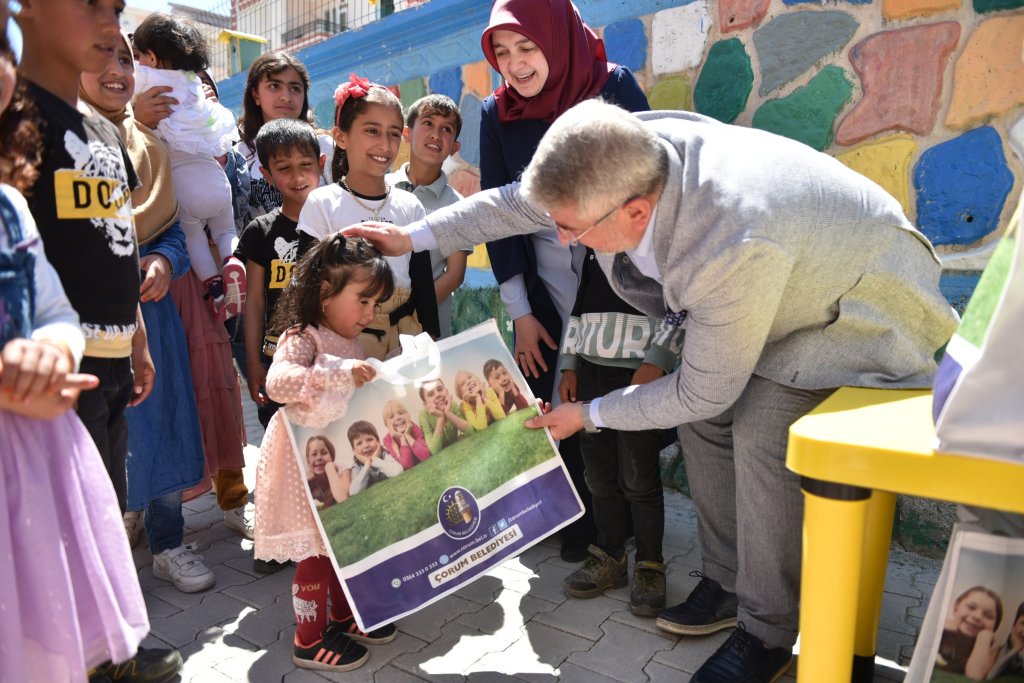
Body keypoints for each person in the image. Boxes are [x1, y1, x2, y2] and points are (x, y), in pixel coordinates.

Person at [345, 99, 959, 682]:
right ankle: (725, 582)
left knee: (759, 430)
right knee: (707, 430)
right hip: (786, 278)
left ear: (635, 214)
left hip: (856, 307)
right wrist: (414, 237)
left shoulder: (728, 242)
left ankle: (768, 631)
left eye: (572, 229)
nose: (561, 241)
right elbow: (514, 205)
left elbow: (702, 391)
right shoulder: (616, 153)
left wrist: (586, 415)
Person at [16, 0, 183, 676]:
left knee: (107, 509)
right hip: (55, 371)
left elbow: (118, 243)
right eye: (94, 8)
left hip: (115, 359)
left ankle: (110, 644)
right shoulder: (17, 119)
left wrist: (138, 336)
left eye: (117, 13)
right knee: (65, 528)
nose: (111, 27)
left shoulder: (107, 136)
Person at [479, 0, 649, 561]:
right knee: (556, 390)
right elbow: (497, 215)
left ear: (556, 38)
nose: (516, 64)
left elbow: (653, 182)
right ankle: (577, 517)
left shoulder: (612, 87)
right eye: (502, 52)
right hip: (546, 285)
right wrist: (520, 313)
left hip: (618, 280)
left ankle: (633, 527)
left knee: (616, 393)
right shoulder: (495, 113)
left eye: (527, 47)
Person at [79, 31, 213, 594]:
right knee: (97, 444)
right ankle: (102, 564)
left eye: (126, 58)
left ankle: (167, 542)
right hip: (83, 326)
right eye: (99, 54)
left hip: (149, 322)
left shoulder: (150, 146)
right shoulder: (59, 140)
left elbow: (173, 234)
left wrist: (160, 258)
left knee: (162, 428)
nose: (117, 68)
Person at [252, 233, 398, 672]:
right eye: (364, 302)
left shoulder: (348, 340)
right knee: (315, 554)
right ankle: (307, 640)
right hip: (302, 467)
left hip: (333, 463)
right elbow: (277, 384)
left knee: (337, 545)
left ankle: (342, 616)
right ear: (325, 292)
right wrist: (337, 373)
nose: (371, 314)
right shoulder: (304, 337)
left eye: (376, 305)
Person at [558, 247, 683, 616]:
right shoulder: (595, 251)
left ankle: (649, 566)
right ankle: (609, 556)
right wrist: (569, 365)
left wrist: (657, 362)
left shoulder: (658, 248)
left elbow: (679, 308)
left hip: (638, 378)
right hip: (591, 373)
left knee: (639, 478)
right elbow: (577, 309)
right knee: (598, 476)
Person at [297, 73, 438, 360]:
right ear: (341, 137)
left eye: (394, 133)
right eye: (372, 131)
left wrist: (432, 337)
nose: (385, 145)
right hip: (342, 342)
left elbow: (422, 282)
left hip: (405, 340)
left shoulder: (410, 205)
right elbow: (308, 286)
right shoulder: (322, 203)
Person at [131, 13, 244, 319]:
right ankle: (233, 260)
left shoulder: (144, 83)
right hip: (215, 179)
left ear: (150, 56)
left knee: (192, 237)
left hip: (184, 188)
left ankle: (215, 286)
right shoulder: (195, 87)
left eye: (138, 55)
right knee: (225, 230)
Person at [235, 118, 324, 428]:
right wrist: (254, 361)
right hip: (278, 362)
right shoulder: (259, 232)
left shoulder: (336, 224)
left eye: (305, 164)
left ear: (321, 163)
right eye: (284, 168)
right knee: (288, 444)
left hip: (329, 357)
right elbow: (255, 301)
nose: (298, 176)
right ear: (267, 175)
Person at [386, 93, 469, 338]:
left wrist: (410, 311)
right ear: (407, 133)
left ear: (454, 147)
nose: (436, 134)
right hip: (374, 324)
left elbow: (454, 275)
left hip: (427, 331)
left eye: (446, 129)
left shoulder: (457, 205)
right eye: (428, 123)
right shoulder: (381, 187)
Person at [229, 51, 335, 232]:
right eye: (274, 86)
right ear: (255, 94)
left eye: (295, 88)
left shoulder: (325, 145)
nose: (286, 96)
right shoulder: (238, 155)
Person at [936, 586, 1003, 677]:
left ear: (995, 626)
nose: (977, 616)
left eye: (988, 616)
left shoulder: (992, 648)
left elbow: (975, 675)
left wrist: (984, 638)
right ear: (956, 607)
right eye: (971, 607)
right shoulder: (940, 627)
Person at [417, 377, 474, 452]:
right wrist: (440, 418)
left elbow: (471, 431)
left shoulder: (452, 405)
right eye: (431, 394)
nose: (437, 394)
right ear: (426, 404)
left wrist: (449, 414)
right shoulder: (423, 416)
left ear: (447, 391)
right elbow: (434, 450)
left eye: (440, 389)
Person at [346, 421, 403, 495]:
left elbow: (398, 471)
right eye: (359, 443)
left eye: (369, 440)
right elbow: (354, 492)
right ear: (354, 450)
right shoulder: (357, 465)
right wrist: (367, 465)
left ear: (378, 441)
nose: (366, 445)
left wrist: (375, 461)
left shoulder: (384, 454)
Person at [381, 399, 430, 469]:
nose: (397, 418)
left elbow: (425, 456)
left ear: (409, 416)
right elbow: (407, 465)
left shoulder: (413, 427)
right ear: (386, 425)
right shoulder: (388, 440)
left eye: (401, 413)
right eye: (391, 417)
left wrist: (408, 435)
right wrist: (402, 439)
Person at [305, 435, 349, 510]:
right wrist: (305, 480)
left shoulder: (342, 469)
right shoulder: (308, 479)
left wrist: (329, 468)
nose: (319, 458)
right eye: (314, 454)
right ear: (308, 459)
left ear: (332, 456)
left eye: (324, 453)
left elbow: (343, 498)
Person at [986, 602, 1024, 680]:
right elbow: (989, 677)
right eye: (1023, 624)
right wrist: (1014, 650)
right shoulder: (996, 651)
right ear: (1014, 625)